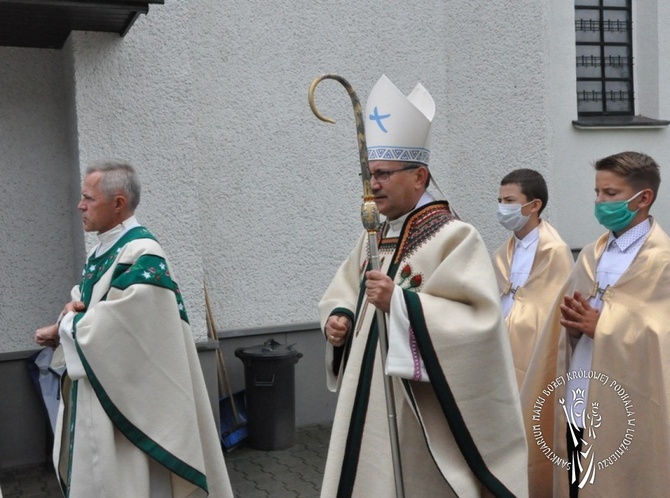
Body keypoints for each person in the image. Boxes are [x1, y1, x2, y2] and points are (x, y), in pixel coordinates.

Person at [319, 75, 528, 497]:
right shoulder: (373, 236)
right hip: (367, 389)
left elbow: (479, 323)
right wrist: (339, 319)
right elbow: (344, 289)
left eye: (382, 173)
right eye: (368, 173)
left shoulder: (455, 237)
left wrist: (402, 304)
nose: (372, 184)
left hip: (414, 407)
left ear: (419, 177)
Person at [35, 161, 233, 497]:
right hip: (102, 387)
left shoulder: (143, 251)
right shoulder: (104, 248)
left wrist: (66, 326)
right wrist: (67, 317)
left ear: (118, 203)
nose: (80, 205)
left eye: (88, 198)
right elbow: (90, 305)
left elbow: (129, 327)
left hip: (132, 405)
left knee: (132, 483)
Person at [521, 151, 670, 497]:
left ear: (643, 198)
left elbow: (662, 337)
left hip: (628, 409)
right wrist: (572, 331)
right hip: (579, 397)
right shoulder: (590, 254)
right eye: (597, 192)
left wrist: (605, 326)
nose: (599, 201)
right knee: (577, 484)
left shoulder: (663, 262)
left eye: (610, 194)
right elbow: (566, 327)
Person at [492, 169, 573, 390]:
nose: (502, 207)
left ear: (534, 205)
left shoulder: (555, 251)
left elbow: (555, 310)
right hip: (501, 348)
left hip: (535, 347)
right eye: (499, 201)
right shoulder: (502, 254)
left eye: (509, 201)